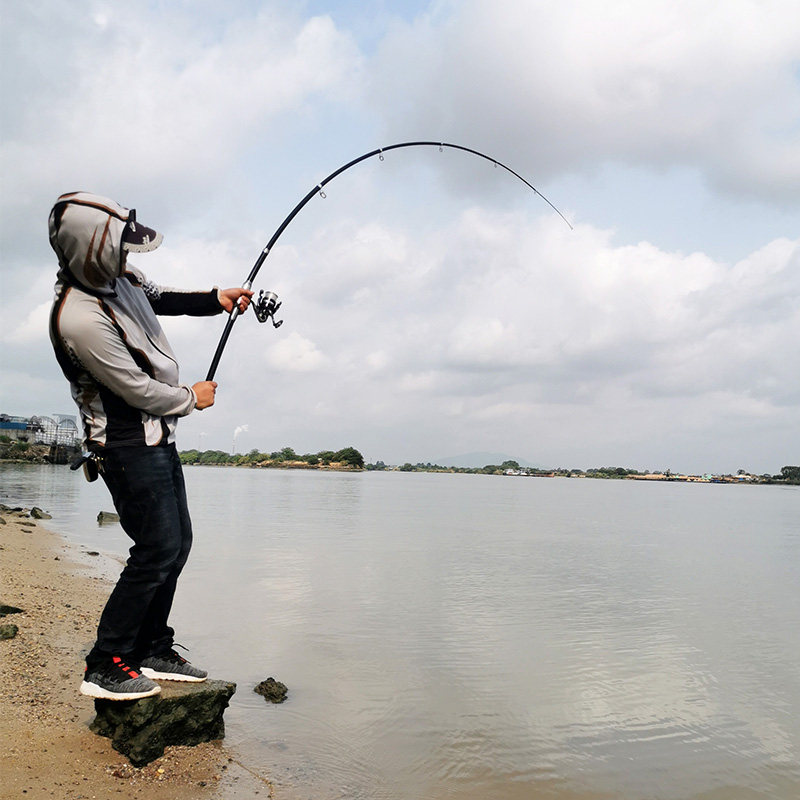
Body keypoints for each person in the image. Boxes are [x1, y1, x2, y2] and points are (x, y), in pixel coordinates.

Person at [48, 191, 252, 700]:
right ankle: (106, 661)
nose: (128, 258)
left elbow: (160, 297)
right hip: (123, 446)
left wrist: (215, 299)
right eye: (119, 249)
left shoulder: (120, 277)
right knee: (156, 548)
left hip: (156, 437)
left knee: (176, 545)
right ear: (91, 252)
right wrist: (190, 398)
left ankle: (152, 646)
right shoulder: (78, 318)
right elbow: (134, 389)